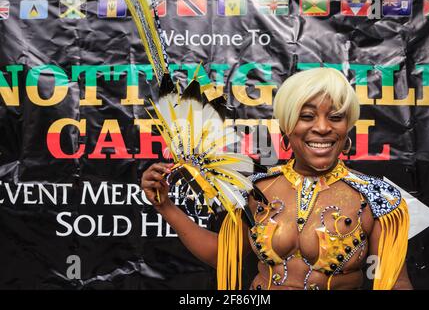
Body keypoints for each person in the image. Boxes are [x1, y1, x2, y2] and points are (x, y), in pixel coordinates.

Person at [141, 67, 412, 290]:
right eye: (307, 116)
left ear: (347, 128)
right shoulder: (257, 189)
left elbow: (394, 282)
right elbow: (224, 257)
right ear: (286, 129)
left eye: (335, 117)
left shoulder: (377, 198)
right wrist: (166, 207)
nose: (321, 127)